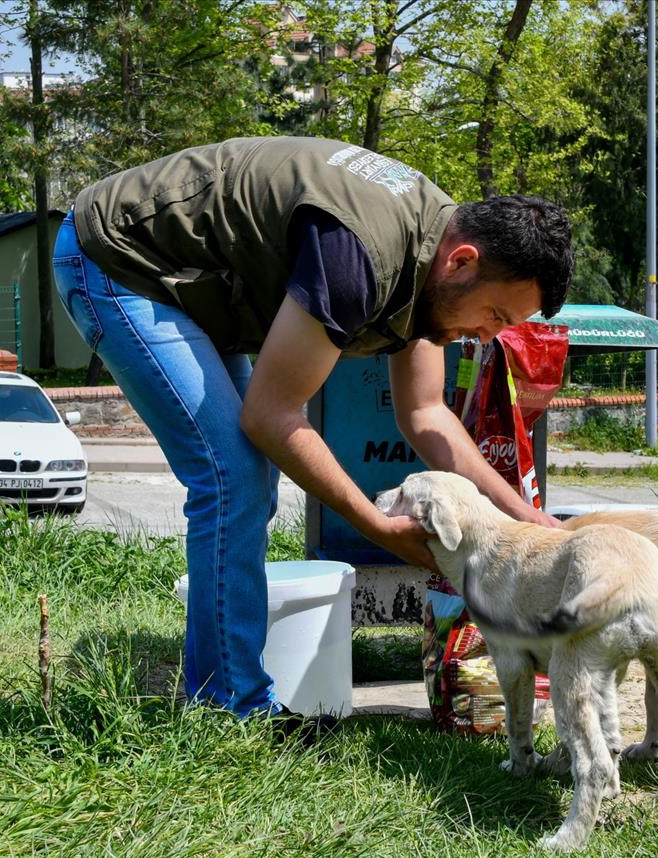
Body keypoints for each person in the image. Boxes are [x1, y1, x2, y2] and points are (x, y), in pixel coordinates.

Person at [52, 136, 572, 720]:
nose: (484, 336)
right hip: (123, 259)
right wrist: (377, 526)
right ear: (462, 261)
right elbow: (272, 416)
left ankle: (227, 689)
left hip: (201, 284)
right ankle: (233, 710)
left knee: (247, 475)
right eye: (494, 316)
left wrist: (524, 517)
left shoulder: (440, 253)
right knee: (235, 475)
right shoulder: (360, 253)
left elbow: (426, 414)